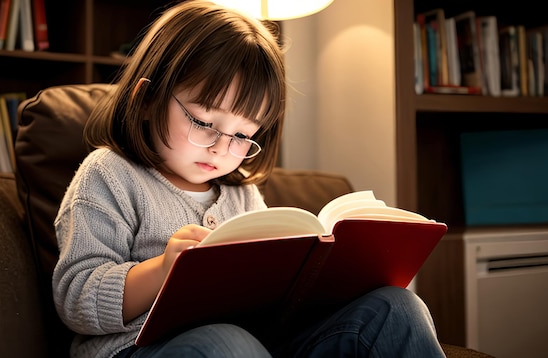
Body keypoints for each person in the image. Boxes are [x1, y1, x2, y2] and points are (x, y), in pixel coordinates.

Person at [52, 1, 447, 357]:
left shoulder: (241, 192)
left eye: (243, 135)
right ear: (148, 99)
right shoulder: (110, 174)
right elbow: (76, 299)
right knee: (227, 343)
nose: (222, 148)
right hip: (141, 349)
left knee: (396, 308)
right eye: (204, 123)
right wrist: (161, 270)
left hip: (258, 342)